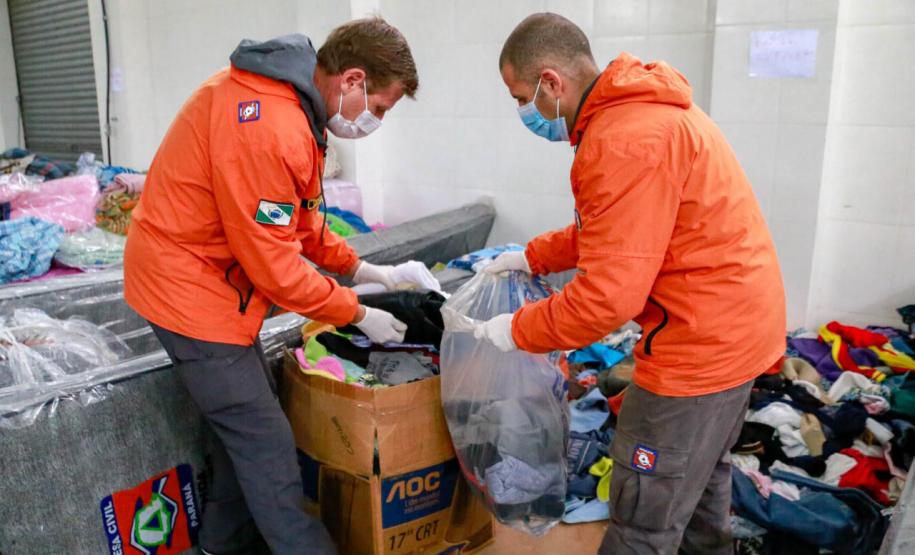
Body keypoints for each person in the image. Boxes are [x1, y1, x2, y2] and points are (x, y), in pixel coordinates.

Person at [475, 13, 787, 555]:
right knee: (699, 486)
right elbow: (612, 230)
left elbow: (607, 299)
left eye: (520, 96)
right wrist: (529, 256)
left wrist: (517, 330)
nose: (523, 111)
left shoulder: (623, 141)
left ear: (552, 82)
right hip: (740, 336)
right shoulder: (643, 113)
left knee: (643, 516)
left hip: (698, 351)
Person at [124, 18, 423, 555]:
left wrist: (367, 271)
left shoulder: (294, 106)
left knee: (248, 432)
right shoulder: (269, 127)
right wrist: (355, 311)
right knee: (266, 445)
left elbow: (303, 223)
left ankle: (221, 545)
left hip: (216, 285)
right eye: (379, 108)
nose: (375, 121)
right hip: (187, 290)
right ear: (352, 81)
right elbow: (275, 267)